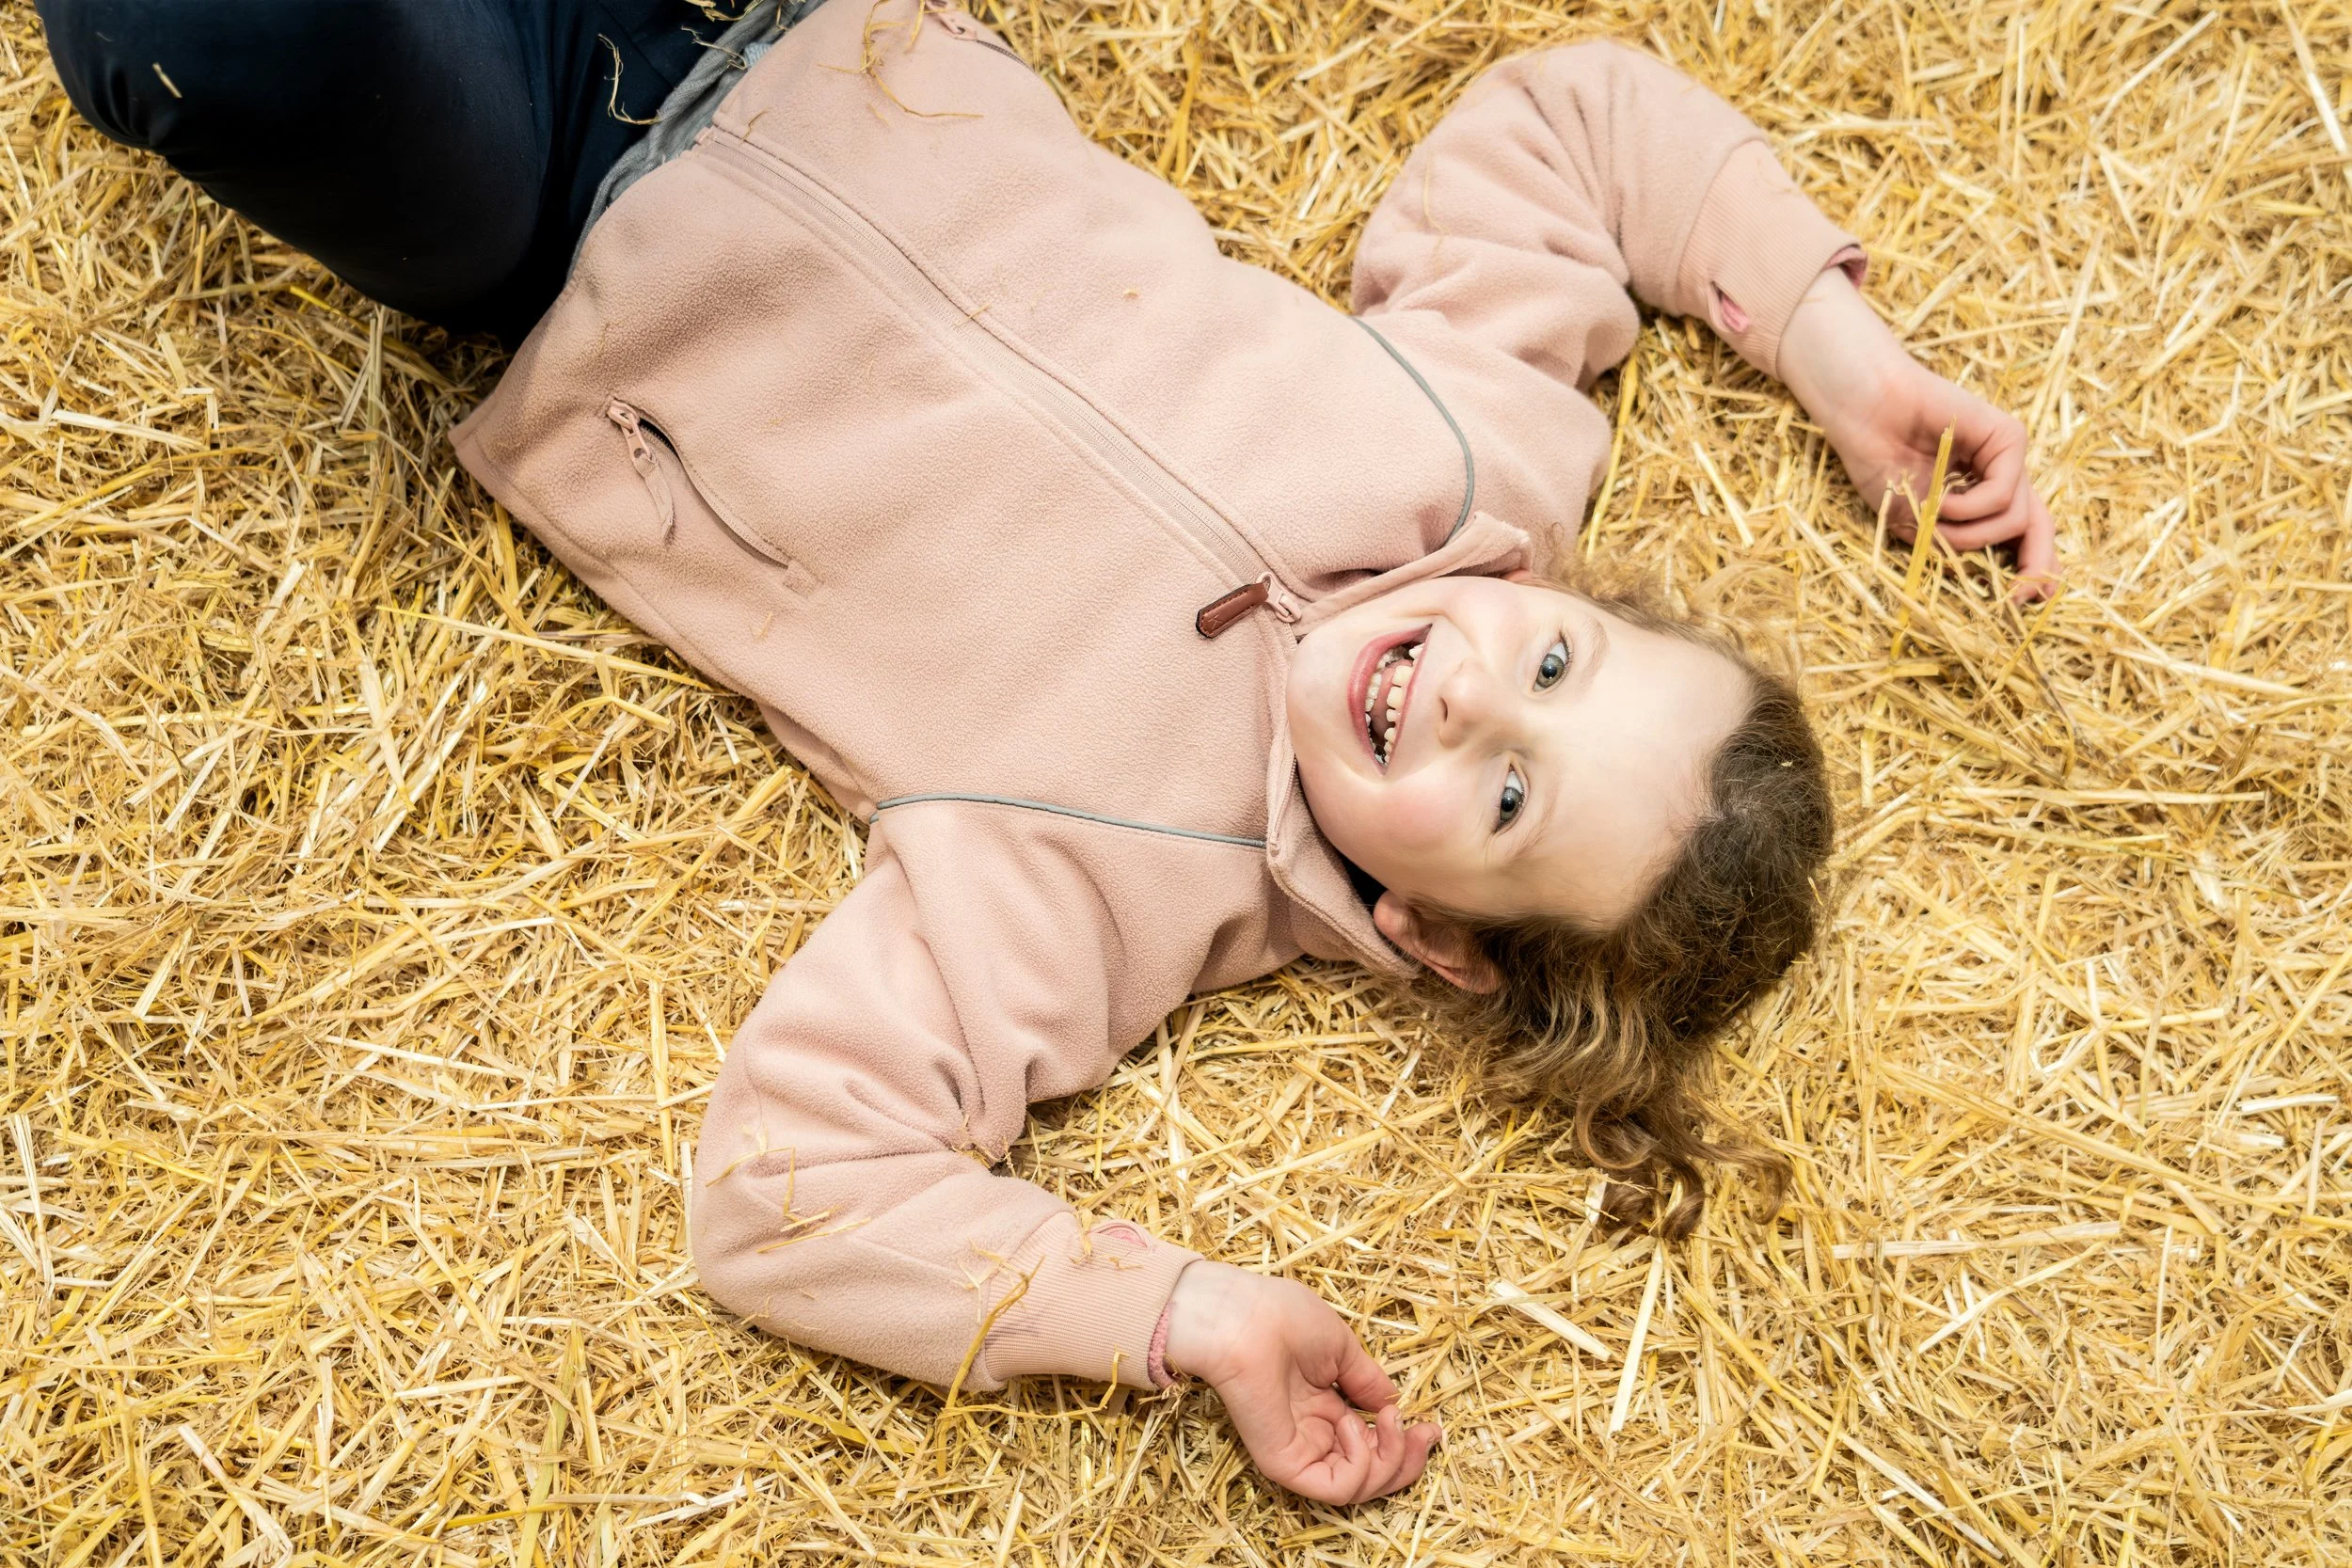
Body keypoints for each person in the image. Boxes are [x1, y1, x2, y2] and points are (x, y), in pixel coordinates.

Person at [38, 0, 2057, 1506]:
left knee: (262, 39)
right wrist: (1834, 351)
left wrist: (1184, 1314)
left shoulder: (1089, 886)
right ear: (1569, 585)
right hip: (818, 26)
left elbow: (782, 1187)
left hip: (554, 225)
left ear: (1444, 937)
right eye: (1554, 654)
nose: (1463, 687)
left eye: (1506, 793)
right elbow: (1576, 122)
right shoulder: (1475, 447)